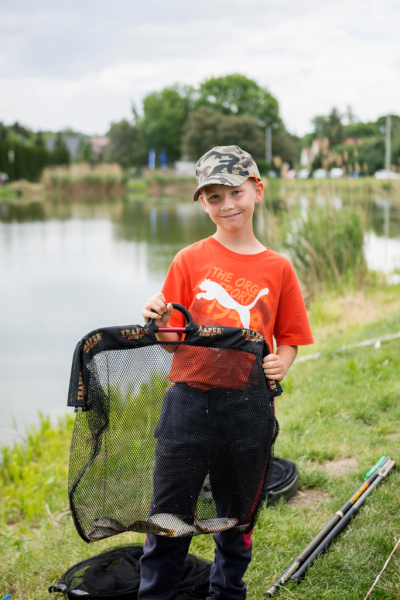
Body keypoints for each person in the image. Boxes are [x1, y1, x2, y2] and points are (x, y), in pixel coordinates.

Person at [140, 146, 313, 600]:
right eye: (214, 197)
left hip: (246, 409)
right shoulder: (189, 259)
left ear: (257, 190)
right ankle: (156, 594)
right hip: (187, 404)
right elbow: (172, 338)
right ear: (202, 203)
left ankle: (227, 591)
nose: (227, 204)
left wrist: (283, 361)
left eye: (235, 191)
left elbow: (291, 336)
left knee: (235, 516)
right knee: (169, 514)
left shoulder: (278, 267)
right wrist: (159, 321)